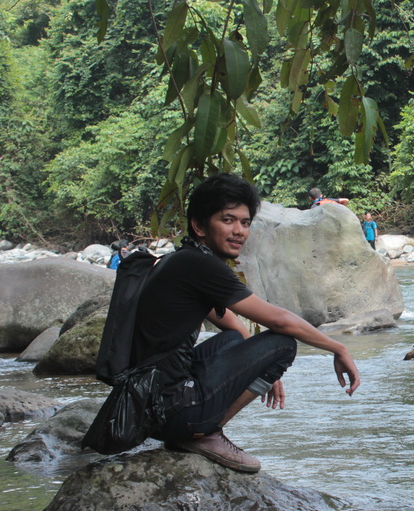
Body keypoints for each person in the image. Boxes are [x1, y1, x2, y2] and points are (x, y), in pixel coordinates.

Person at [133, 174, 360, 473]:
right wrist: (337, 348)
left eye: (245, 222)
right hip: (172, 411)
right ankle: (202, 432)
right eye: (228, 220)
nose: (239, 231)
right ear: (199, 226)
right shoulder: (200, 265)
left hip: (148, 404)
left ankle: (197, 427)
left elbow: (224, 318)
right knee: (281, 343)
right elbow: (279, 320)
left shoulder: (180, 260)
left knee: (234, 339)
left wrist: (258, 365)